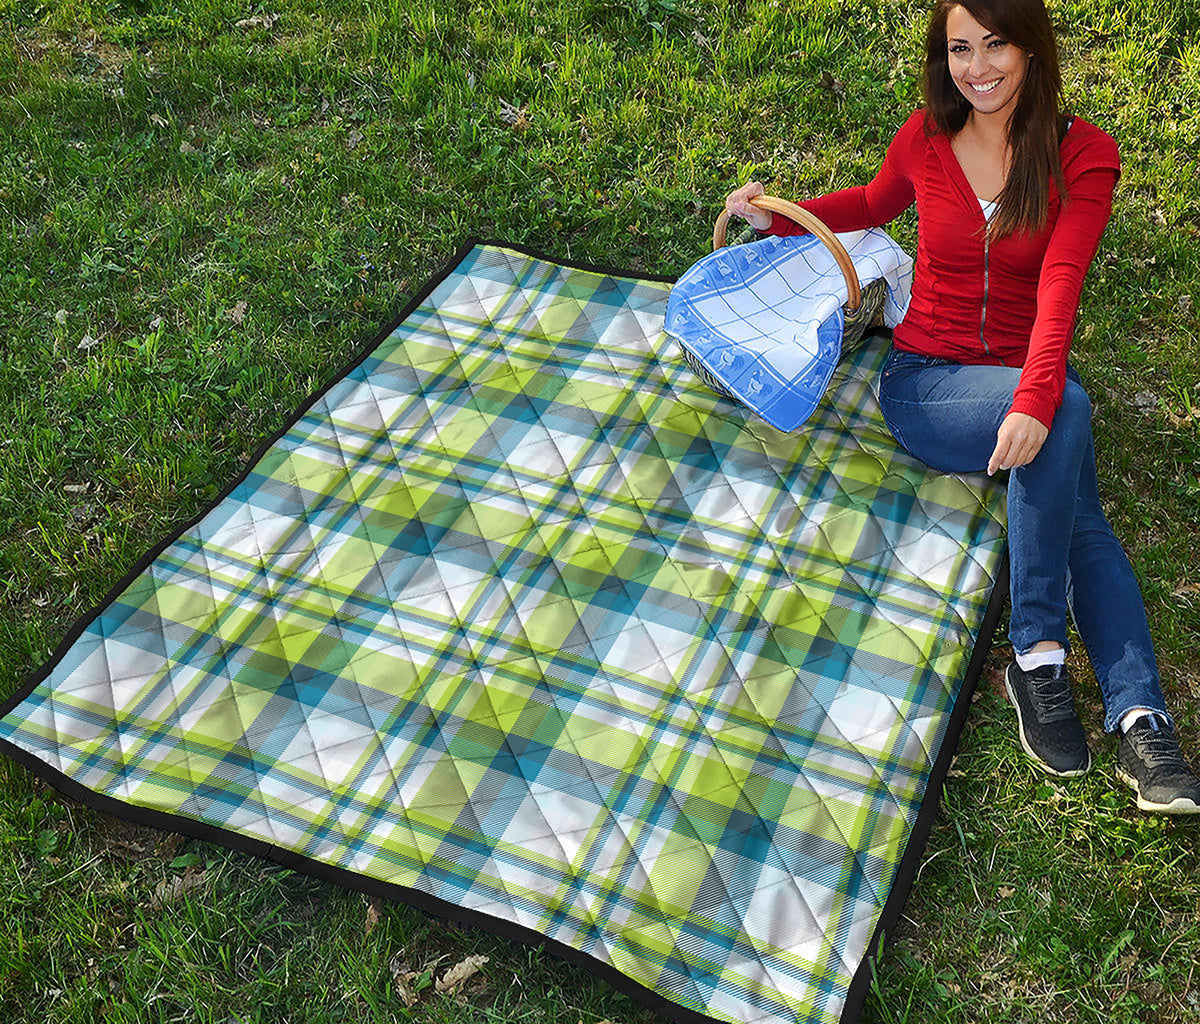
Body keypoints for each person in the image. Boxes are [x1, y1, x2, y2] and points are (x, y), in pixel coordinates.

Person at [725, 0, 1200, 814]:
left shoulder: (1083, 156)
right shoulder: (926, 137)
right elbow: (872, 205)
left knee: (1073, 476)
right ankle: (1046, 656)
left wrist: (1036, 396)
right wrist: (779, 220)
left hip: (1019, 376)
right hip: (927, 383)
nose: (977, 67)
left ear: (1031, 48)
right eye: (959, 48)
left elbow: (1061, 284)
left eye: (996, 44)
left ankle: (1134, 713)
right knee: (1070, 419)